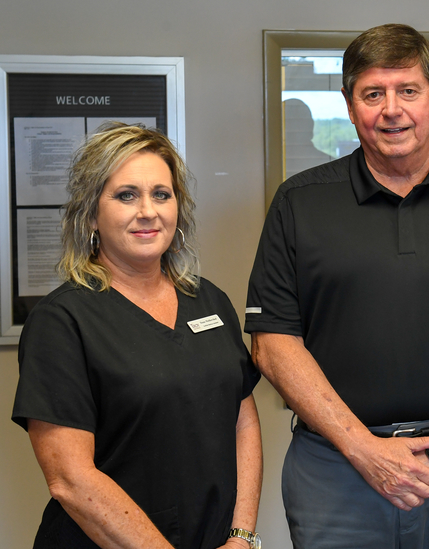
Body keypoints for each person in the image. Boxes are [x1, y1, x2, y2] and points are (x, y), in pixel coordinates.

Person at [245, 23, 429, 549]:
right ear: (348, 103)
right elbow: (272, 344)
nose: (392, 110)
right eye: (372, 94)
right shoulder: (299, 205)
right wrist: (362, 448)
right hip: (334, 466)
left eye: (408, 90)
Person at [12, 123, 263, 549]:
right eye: (126, 195)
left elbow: (243, 420)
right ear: (91, 213)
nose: (148, 211)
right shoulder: (61, 321)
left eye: (161, 195)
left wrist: (241, 537)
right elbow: (70, 479)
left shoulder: (210, 301)